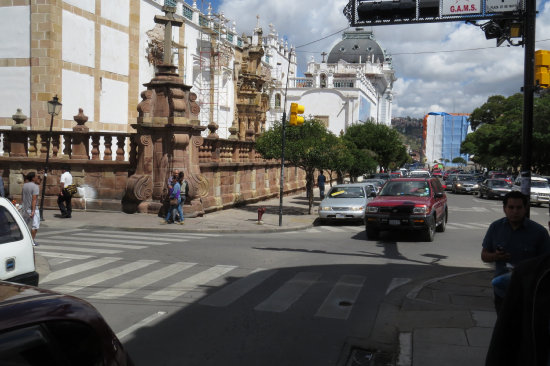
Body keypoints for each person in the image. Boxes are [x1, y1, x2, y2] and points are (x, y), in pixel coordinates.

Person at [481, 191, 550, 313]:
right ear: (504, 208)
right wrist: (495, 256)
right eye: (511, 207)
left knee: (525, 330)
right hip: (502, 292)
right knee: (503, 329)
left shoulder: (539, 232)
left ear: (525, 209)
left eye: (519, 208)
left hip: (528, 294)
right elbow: (484, 255)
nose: (515, 211)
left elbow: (546, 264)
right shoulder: (496, 227)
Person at [485, 252, 550, 366]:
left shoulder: (539, 234)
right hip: (506, 293)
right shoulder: (528, 274)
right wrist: (495, 256)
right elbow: (504, 341)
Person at [21, 172, 40, 245]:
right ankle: (31, 241)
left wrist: (22, 206)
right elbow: (34, 199)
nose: (37, 178)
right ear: (33, 178)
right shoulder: (35, 186)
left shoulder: (24, 186)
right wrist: (33, 211)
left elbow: (22, 197)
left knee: (24, 225)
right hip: (32, 209)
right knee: (35, 226)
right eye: (36, 177)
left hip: (25, 208)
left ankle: (23, 240)